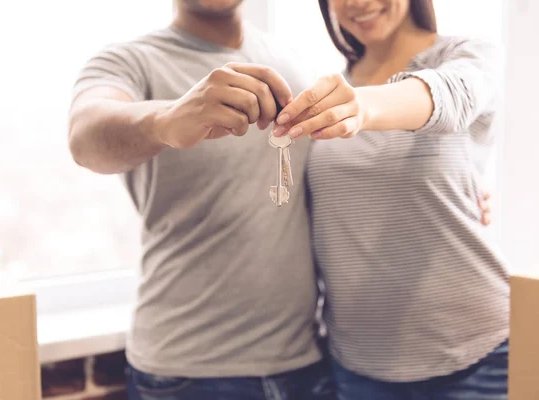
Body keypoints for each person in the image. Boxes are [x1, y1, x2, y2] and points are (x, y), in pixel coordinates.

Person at [67, 1, 336, 399]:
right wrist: (166, 119)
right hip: (188, 374)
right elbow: (85, 135)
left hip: (304, 363)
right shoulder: (130, 60)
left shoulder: (288, 59)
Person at [273, 0, 509, 398]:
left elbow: (452, 98)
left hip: (477, 355)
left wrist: (361, 107)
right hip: (359, 365)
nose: (357, 3)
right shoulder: (324, 92)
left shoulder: (465, 54)